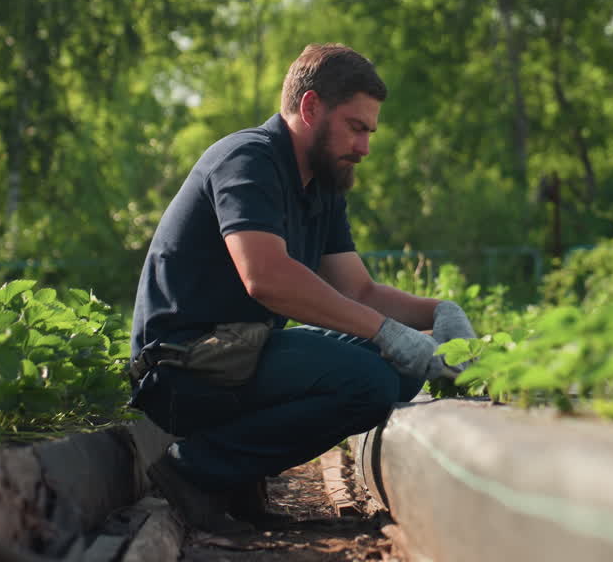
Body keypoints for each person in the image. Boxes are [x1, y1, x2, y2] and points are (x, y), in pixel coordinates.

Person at [128, 43, 478, 534]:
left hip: (239, 355)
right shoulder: (248, 160)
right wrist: (386, 332)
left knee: (397, 372)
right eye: (356, 128)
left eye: (369, 132)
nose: (365, 147)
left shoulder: (322, 185)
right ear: (311, 108)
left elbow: (359, 292)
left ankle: (236, 473)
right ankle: (194, 473)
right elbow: (265, 277)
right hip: (184, 366)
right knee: (370, 381)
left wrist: (440, 313)